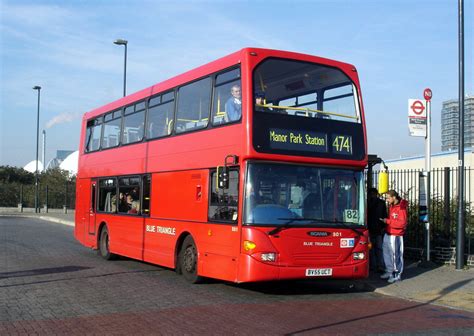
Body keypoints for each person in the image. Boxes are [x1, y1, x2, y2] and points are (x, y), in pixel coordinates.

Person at [380, 190, 408, 283]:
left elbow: (402, 224)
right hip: (389, 233)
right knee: (387, 253)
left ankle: (397, 275)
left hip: (396, 235)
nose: (387, 200)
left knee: (396, 255)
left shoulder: (401, 207)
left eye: (388, 198)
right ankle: (389, 271)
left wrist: (387, 221)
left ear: (394, 197)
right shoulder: (393, 206)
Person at [367, 187, 387, 273]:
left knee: (375, 248)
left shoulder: (369, 203)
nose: (372, 196)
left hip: (375, 228)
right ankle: (378, 265)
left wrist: (383, 227)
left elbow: (384, 216)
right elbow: (384, 215)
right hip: (375, 228)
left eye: (373, 194)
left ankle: (376, 265)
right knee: (376, 248)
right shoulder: (380, 203)